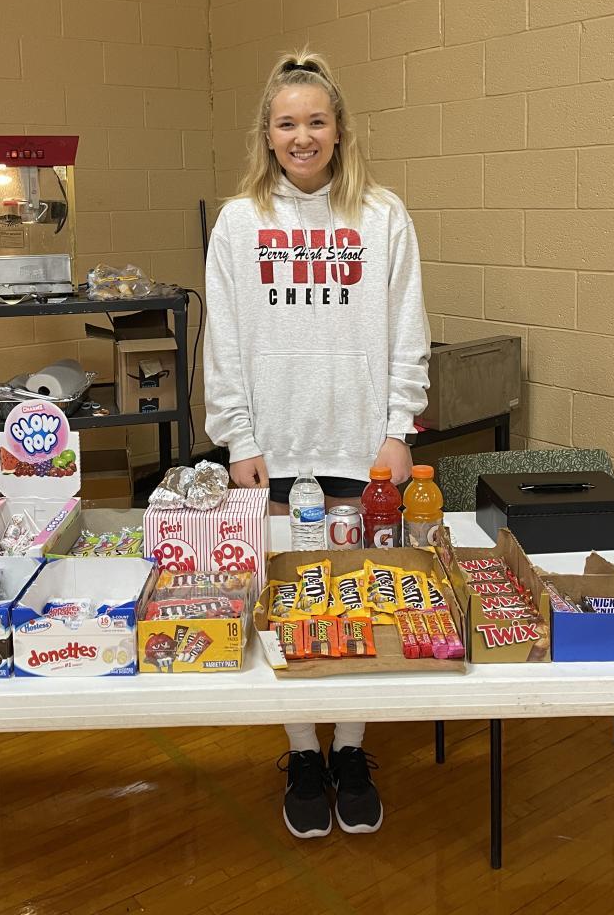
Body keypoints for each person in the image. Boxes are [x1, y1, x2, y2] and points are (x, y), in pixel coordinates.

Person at [204, 48, 430, 839]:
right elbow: (224, 342)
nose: (301, 136)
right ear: (267, 134)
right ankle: (304, 752)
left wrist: (398, 429)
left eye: (316, 121)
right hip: (273, 451)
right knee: (289, 603)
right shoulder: (240, 223)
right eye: (286, 123)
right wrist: (237, 437)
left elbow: (408, 332)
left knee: (360, 598)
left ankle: (352, 750)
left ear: (339, 130)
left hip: (361, 449)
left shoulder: (383, 216)